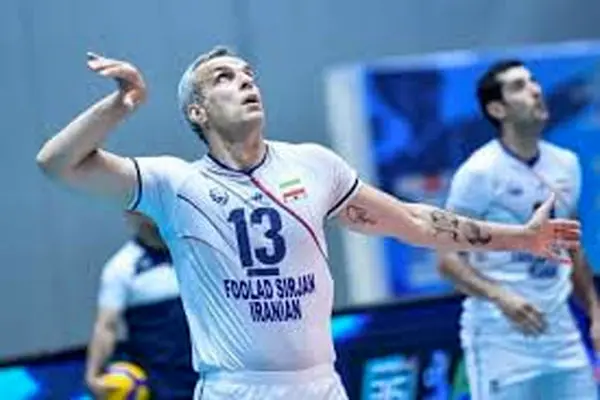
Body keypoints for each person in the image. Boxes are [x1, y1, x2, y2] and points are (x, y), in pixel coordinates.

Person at [36, 47, 580, 400]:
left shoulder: (314, 165)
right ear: (197, 112)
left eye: (249, 75)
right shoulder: (176, 183)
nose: (245, 82)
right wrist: (122, 105)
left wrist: (522, 238)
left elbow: (414, 219)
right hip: (237, 389)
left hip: (321, 384)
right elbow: (57, 164)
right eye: (225, 78)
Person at [438, 59, 599, 399]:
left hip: (562, 340)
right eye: (519, 87)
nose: (535, 91)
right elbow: (447, 259)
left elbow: (572, 248)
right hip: (501, 343)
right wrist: (501, 297)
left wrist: (596, 313)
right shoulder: (479, 173)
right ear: (497, 109)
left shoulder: (566, 164)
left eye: (533, 82)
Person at [85, 211, 198, 399]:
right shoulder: (121, 267)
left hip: (213, 375)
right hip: (164, 383)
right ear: (129, 217)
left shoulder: (196, 251)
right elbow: (106, 326)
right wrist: (93, 374)